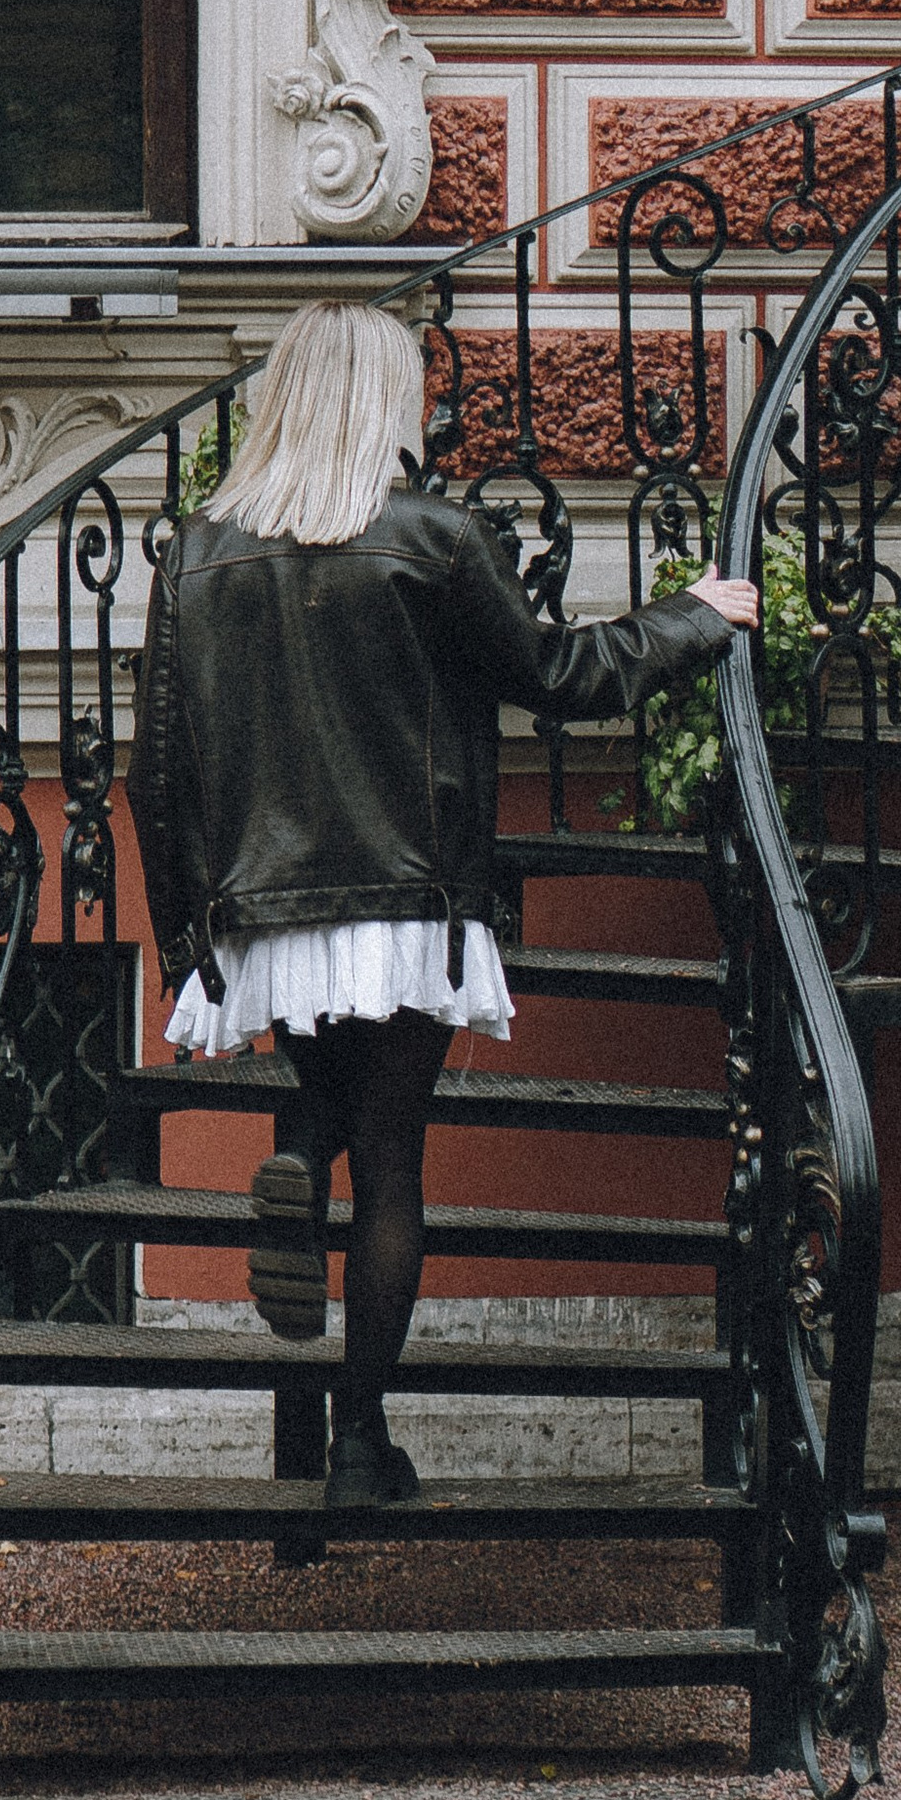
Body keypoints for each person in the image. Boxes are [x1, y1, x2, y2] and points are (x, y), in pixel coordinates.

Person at [127, 303, 759, 1511]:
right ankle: (360, 1446)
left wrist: (188, 937)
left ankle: (302, 1150)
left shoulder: (195, 553)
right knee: (398, 1166)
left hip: (265, 904)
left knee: (329, 1113)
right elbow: (564, 678)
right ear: (383, 399)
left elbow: (161, 762)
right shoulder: (434, 537)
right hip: (406, 892)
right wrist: (694, 616)